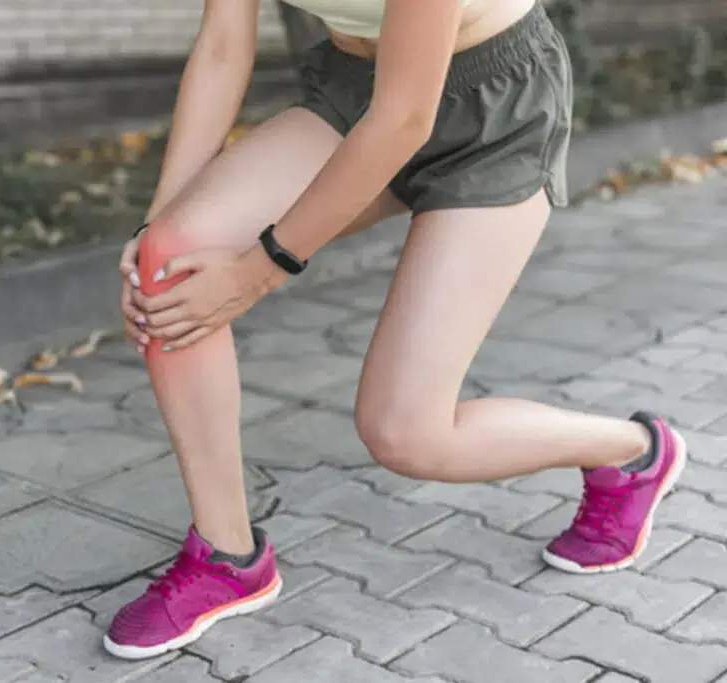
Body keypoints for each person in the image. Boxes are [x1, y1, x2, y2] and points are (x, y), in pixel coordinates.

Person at [104, 0, 687, 661]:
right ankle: (226, 556)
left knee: (405, 433)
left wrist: (258, 269)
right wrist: (156, 224)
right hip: (359, 96)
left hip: (492, 112)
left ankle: (634, 452)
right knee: (169, 263)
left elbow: (405, 117)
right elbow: (220, 48)